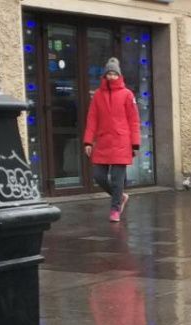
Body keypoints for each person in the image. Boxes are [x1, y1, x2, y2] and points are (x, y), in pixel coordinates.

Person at [83, 58, 140, 223]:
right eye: (109, 73)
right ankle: (120, 197)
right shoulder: (97, 95)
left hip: (122, 141)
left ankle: (115, 209)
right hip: (103, 141)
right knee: (98, 176)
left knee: (117, 178)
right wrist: (88, 142)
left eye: (115, 74)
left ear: (119, 75)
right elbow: (92, 119)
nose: (112, 76)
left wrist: (135, 144)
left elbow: (134, 120)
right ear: (105, 75)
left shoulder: (127, 94)